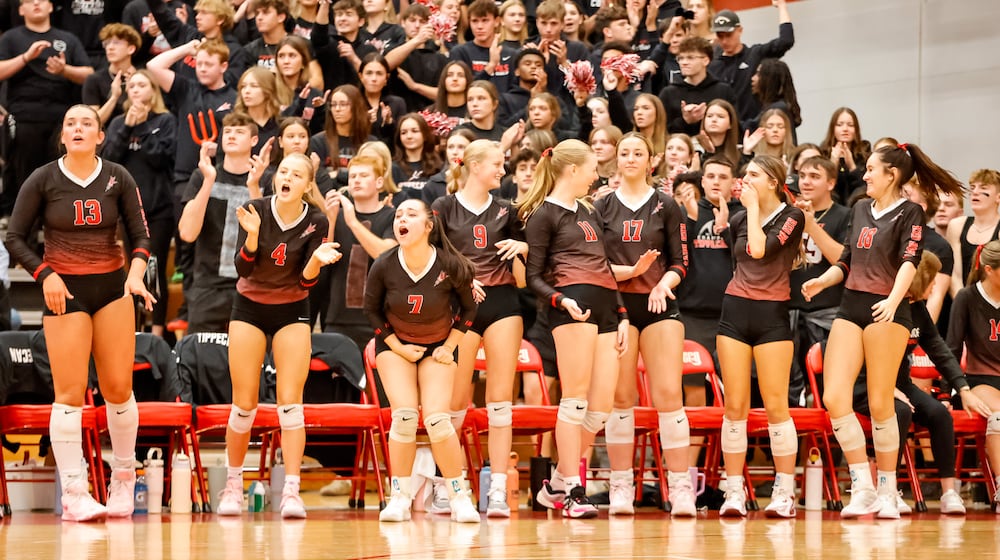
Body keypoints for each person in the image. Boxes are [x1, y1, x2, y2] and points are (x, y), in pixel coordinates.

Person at [6, 105, 155, 521]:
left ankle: (124, 481)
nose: (77, 128)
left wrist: (137, 275)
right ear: (62, 136)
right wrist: (45, 274)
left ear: (100, 136)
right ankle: (74, 493)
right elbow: (15, 237)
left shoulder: (118, 177)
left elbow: (142, 234)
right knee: (69, 395)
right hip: (64, 292)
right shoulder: (43, 178)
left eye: (86, 123)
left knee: (119, 390)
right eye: (70, 122)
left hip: (112, 289)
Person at [802, 142, 964, 518]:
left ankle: (889, 490)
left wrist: (893, 301)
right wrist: (822, 283)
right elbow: (846, 259)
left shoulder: (911, 213)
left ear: (891, 174)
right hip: (850, 308)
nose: (865, 175)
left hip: (886, 312)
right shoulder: (860, 208)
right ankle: (863, 485)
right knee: (835, 397)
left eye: (872, 169)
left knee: (880, 402)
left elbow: (910, 261)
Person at [216, 153, 341, 518]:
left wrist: (316, 261)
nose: (287, 177)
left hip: (292, 308)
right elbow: (241, 268)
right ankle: (233, 486)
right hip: (249, 305)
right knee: (244, 403)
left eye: (296, 174)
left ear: (307, 184)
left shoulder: (317, 220)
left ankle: (291, 492)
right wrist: (252, 237)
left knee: (290, 402)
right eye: (283, 171)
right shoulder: (255, 208)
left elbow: (306, 281)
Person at [519, 139, 629, 518]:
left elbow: (605, 267)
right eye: (592, 168)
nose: (596, 175)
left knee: (600, 408)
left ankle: (556, 485)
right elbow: (533, 276)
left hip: (605, 310)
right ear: (572, 170)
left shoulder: (588, 211)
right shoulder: (543, 215)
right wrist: (560, 301)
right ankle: (574, 491)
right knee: (576, 399)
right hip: (573, 309)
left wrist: (623, 314)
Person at [595, 133, 695, 516]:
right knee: (621, 398)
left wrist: (662, 284)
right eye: (625, 153)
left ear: (652, 161)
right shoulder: (601, 206)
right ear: (616, 161)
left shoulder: (667, 206)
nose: (631, 158)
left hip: (659, 303)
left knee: (669, 393)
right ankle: (621, 486)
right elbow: (594, 264)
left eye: (639, 153)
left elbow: (681, 261)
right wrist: (629, 275)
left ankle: (681, 486)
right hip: (617, 306)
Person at [365, 198, 481, 524]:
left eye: (411, 214)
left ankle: (459, 495)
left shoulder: (450, 264)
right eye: (399, 214)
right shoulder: (384, 264)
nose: (402, 218)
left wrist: (451, 345)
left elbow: (470, 310)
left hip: (440, 346)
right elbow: (371, 311)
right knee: (402, 417)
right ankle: (399, 496)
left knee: (437, 420)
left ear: (428, 226)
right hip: (395, 347)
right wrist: (398, 348)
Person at [434, 140, 527, 518]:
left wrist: (523, 250)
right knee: (455, 402)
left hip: (504, 303)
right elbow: (433, 259)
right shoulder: (444, 207)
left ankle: (499, 491)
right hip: (460, 308)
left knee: (501, 402)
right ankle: (448, 487)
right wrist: (462, 281)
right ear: (474, 166)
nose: (503, 171)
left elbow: (522, 279)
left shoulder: (509, 210)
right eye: (497, 164)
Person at [712, 155, 804, 518]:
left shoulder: (792, 217)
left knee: (776, 406)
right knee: (735, 406)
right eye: (744, 173)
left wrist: (749, 210)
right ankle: (733, 491)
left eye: (752, 174)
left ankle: (784, 491)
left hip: (772, 317)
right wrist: (742, 214)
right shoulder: (737, 219)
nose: (744, 179)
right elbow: (741, 263)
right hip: (735, 311)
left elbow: (759, 249)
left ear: (772, 181)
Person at [892, 252, 990, 515]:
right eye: (931, 279)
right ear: (919, 279)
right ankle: (890, 490)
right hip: (872, 383)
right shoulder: (886, 305)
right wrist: (888, 389)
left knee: (939, 413)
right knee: (899, 412)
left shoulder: (917, 310)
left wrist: (963, 388)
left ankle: (949, 493)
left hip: (901, 383)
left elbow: (939, 350)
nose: (935, 286)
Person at [0, 0, 93, 221]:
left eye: (41, 0)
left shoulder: (67, 38)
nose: (35, 4)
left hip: (60, 119)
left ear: (51, 6)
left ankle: (58, 227)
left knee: (62, 175)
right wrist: (25, 57)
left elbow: (89, 74)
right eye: (29, 1)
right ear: (20, 10)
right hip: (24, 117)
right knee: (26, 177)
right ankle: (27, 236)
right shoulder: (11, 38)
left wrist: (64, 70)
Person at [103, 70, 178, 338]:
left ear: (153, 90)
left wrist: (144, 125)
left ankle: (156, 333)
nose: (135, 90)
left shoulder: (166, 121)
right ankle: (131, 331)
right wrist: (127, 127)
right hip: (128, 209)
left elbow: (162, 159)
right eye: (131, 85)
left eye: (141, 85)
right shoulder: (119, 123)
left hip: (159, 209)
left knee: (153, 267)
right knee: (131, 270)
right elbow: (109, 158)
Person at [178, 112, 262, 334]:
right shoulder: (202, 175)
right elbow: (187, 233)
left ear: (254, 141)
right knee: (199, 358)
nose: (231, 136)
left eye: (240, 131)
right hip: (208, 284)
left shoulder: (267, 179)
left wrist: (255, 186)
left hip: (252, 285)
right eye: (228, 131)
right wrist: (208, 182)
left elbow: (268, 234)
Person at [787, 156, 850, 407]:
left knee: (825, 389)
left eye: (814, 176)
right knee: (791, 390)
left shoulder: (844, 215)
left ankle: (829, 446)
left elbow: (842, 260)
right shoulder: (788, 214)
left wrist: (811, 226)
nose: (806, 182)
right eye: (802, 176)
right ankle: (798, 447)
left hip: (827, 315)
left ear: (831, 183)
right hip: (789, 312)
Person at [322, 154, 398, 349]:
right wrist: (330, 220)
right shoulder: (336, 216)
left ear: (379, 183)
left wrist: (353, 222)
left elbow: (386, 256)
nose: (356, 180)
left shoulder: (393, 216)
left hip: (379, 319)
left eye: (363, 175)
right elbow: (323, 259)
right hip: (337, 317)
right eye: (353, 176)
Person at [947, 240, 1000, 512]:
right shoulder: (967, 298)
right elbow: (952, 348)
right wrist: (951, 392)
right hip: (980, 380)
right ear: (990, 270)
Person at [707, 1, 793, 125]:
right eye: (720, 36)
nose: (725, 41)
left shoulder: (755, 55)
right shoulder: (712, 65)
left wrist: (782, 6)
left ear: (740, 30)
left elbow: (786, 41)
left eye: (729, 35)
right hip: (726, 132)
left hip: (755, 128)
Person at [659, 36, 735, 136]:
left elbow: (734, 125)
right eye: (680, 58)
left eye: (690, 57)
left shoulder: (723, 91)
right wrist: (685, 121)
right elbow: (661, 130)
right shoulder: (668, 93)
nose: (684, 62)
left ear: (706, 60)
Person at [947, 169, 1000, 296]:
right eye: (972, 188)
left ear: (998, 197)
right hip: (963, 300)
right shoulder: (956, 226)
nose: (975, 192)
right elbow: (955, 274)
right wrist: (964, 304)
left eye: (983, 188)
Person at [83, 23, 141, 126]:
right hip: (107, 136)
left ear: (131, 49)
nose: (110, 48)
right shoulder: (94, 79)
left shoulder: (143, 78)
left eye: (116, 43)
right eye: (107, 43)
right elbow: (92, 123)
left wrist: (132, 91)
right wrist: (114, 97)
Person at [819, 107, 870, 205]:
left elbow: (865, 188)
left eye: (850, 125)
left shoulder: (865, 154)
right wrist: (833, 163)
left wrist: (851, 166)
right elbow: (821, 187)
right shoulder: (823, 152)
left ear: (856, 129)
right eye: (839, 125)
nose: (845, 129)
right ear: (833, 128)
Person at [393, 113, 444, 202]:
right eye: (404, 133)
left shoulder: (439, 166)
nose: (409, 136)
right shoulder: (392, 168)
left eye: (415, 131)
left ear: (424, 135)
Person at [234, 67, 282, 152]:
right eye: (243, 86)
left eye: (254, 86)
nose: (247, 91)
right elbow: (222, 160)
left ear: (268, 90)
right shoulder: (233, 124)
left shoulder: (280, 125)